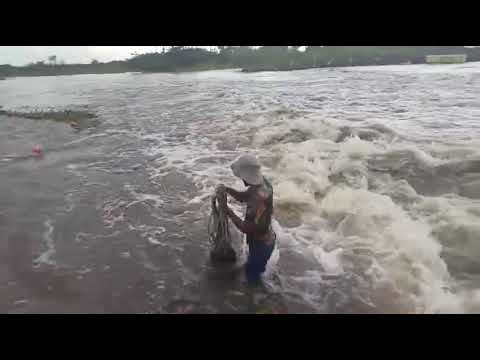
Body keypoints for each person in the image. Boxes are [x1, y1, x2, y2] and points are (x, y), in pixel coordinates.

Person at [217, 154, 275, 284]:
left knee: (252, 279)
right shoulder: (264, 184)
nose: (242, 179)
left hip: (261, 245)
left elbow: (246, 228)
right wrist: (227, 190)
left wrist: (227, 211)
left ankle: (255, 300)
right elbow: (245, 197)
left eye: (242, 176)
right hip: (266, 240)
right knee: (254, 270)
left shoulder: (258, 199)